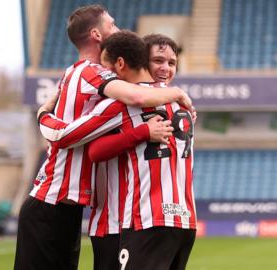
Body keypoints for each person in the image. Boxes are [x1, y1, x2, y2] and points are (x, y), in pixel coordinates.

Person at [14, 4, 192, 270]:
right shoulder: (95, 75)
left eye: (171, 63)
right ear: (97, 35)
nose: (117, 28)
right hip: (53, 203)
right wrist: (42, 115)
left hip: (79, 211)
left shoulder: (78, 75)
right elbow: (135, 97)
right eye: (112, 24)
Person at [88, 33, 187, 270]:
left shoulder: (179, 105)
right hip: (116, 223)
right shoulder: (123, 101)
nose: (165, 68)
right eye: (158, 61)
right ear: (142, 61)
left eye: (171, 63)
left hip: (151, 220)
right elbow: (93, 149)